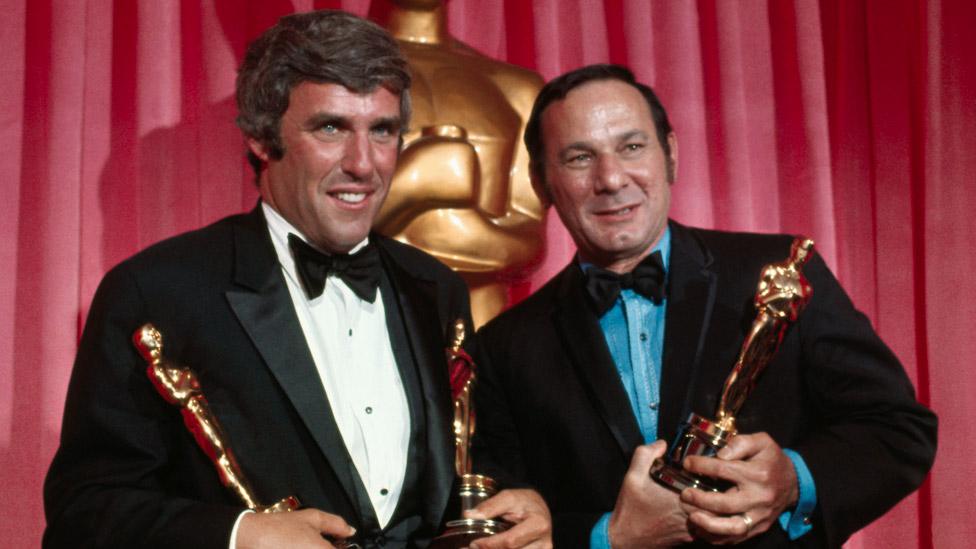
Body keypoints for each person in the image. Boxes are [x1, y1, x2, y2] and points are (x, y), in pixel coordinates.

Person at [43, 10, 549, 549]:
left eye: (382, 131)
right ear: (263, 138)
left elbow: (463, 472)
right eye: (330, 127)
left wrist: (523, 503)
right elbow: (84, 512)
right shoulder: (158, 292)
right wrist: (240, 536)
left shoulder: (436, 289)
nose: (363, 164)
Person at [471, 64, 937, 548]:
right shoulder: (504, 348)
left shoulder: (781, 272)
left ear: (669, 154)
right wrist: (607, 538)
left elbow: (899, 430)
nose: (610, 178)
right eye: (578, 158)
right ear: (541, 182)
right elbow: (505, 525)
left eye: (632, 147)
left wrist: (793, 480)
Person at [373, 0, 546, 328]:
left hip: (480, 333)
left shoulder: (517, 88)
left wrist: (466, 235)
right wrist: (413, 183)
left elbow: (530, 239)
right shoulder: (328, 79)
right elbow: (305, 222)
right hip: (362, 318)